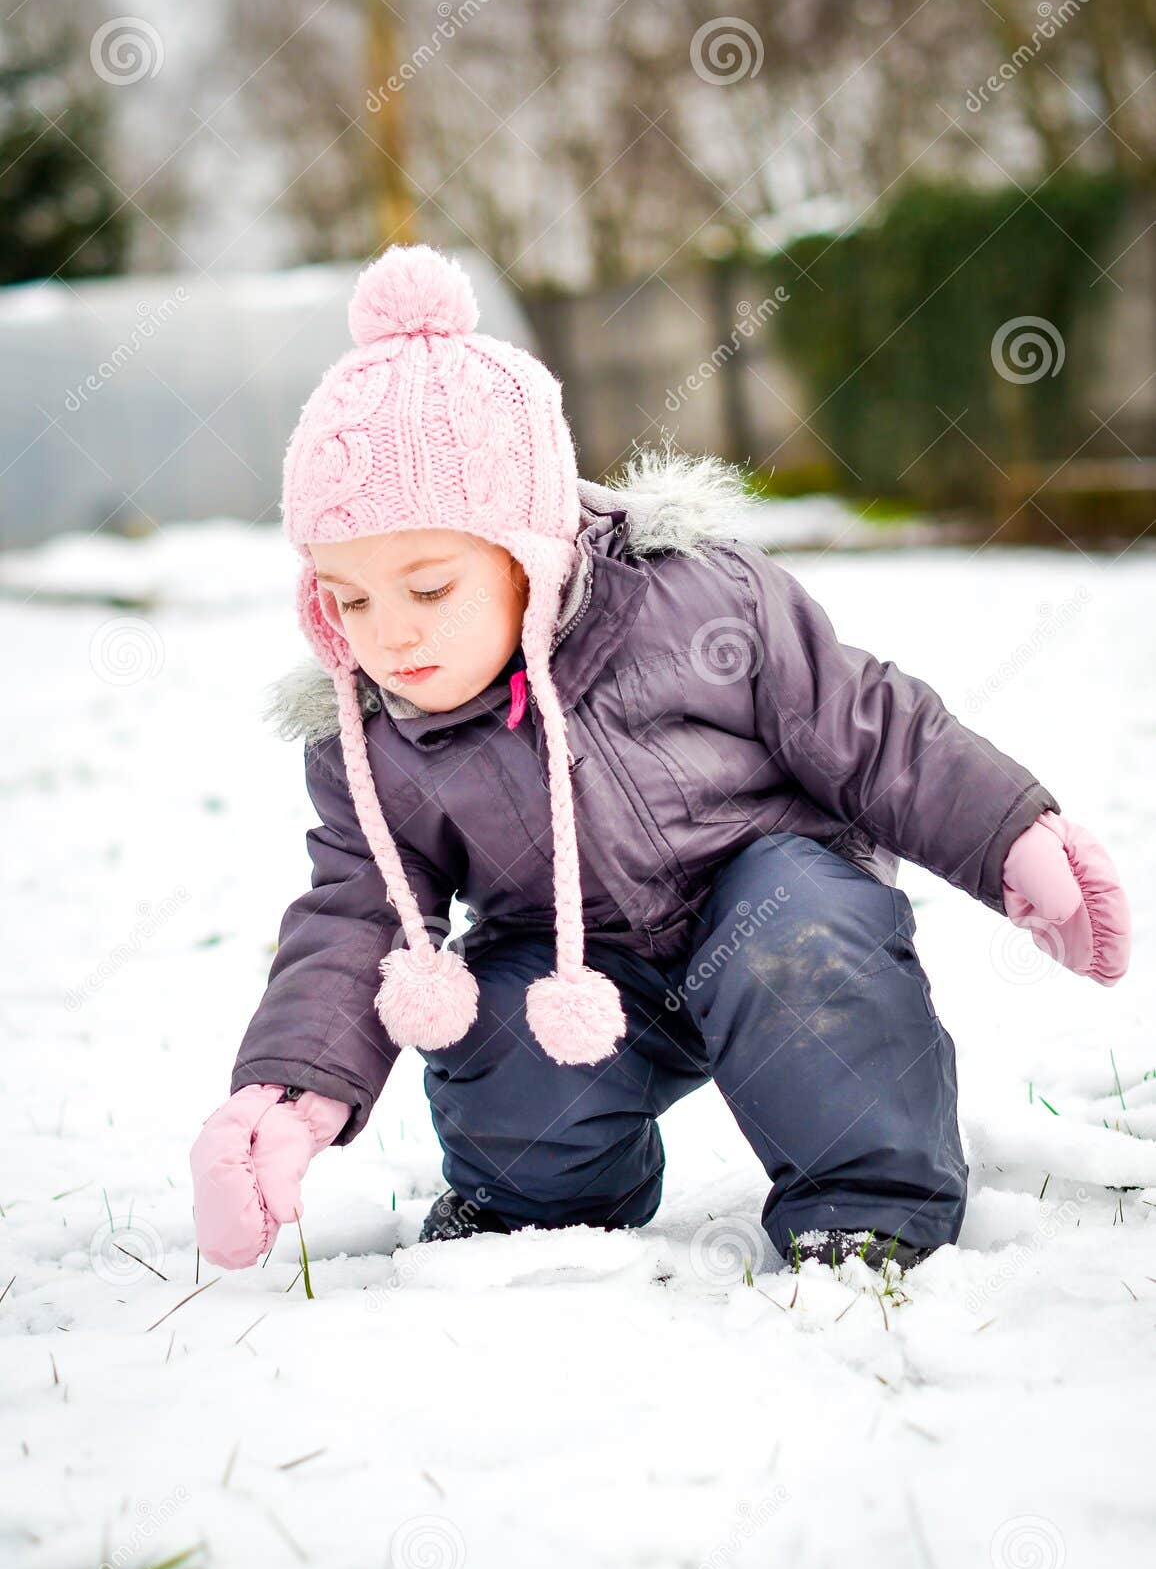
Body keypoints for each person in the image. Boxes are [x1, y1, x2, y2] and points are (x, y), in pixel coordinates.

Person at [189, 243, 1131, 1279]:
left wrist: (1008, 836)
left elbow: (869, 726)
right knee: (495, 1022)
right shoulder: (372, 738)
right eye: (350, 598)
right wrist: (289, 1084)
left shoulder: (700, 604)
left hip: (765, 900)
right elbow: (355, 914)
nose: (390, 635)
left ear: (529, 549)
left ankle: (868, 1205)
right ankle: (538, 1203)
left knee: (801, 939)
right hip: (579, 973)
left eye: (427, 586)